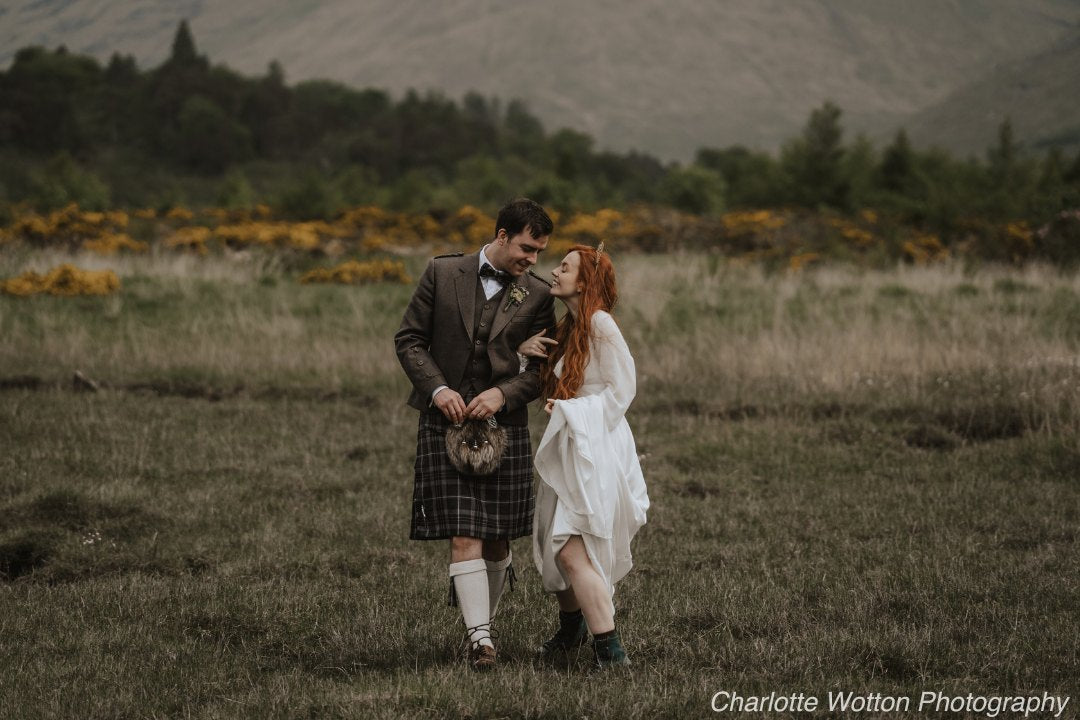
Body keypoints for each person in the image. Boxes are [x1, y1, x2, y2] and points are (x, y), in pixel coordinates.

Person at [394, 198, 556, 671]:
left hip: (503, 426)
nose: (532, 259)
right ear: (502, 235)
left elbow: (543, 369)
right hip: (444, 421)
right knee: (464, 530)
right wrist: (438, 388)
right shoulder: (443, 274)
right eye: (526, 248)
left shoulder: (540, 295)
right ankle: (480, 640)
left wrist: (503, 395)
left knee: (499, 536)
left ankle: (481, 624)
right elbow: (409, 340)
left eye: (540, 252)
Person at [518, 243, 650, 669]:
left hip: (597, 445)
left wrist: (574, 411)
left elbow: (622, 391)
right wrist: (525, 353)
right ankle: (572, 627)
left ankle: (611, 653)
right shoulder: (570, 326)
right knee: (555, 543)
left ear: (584, 282)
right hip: (570, 444)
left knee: (574, 550)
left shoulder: (600, 324)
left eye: (565, 267)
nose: (554, 272)